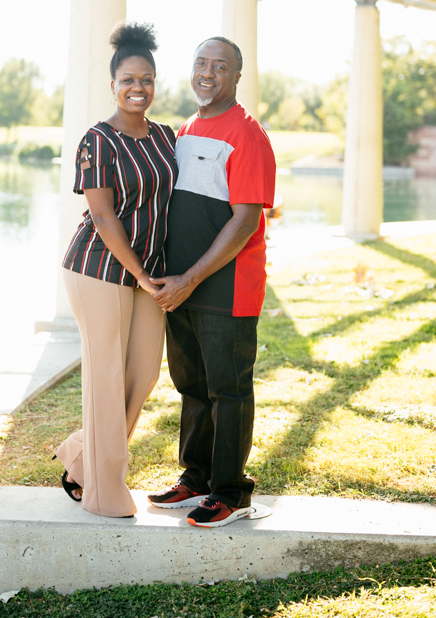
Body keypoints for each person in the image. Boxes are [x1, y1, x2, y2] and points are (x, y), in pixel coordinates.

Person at [148, 36, 276, 528]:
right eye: (201, 63)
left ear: (237, 76)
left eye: (219, 66)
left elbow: (244, 222)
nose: (207, 72)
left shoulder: (248, 135)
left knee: (228, 389)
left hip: (226, 288)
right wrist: (172, 279)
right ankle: (196, 478)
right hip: (180, 286)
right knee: (193, 385)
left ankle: (231, 492)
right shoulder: (188, 128)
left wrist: (191, 278)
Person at [55, 23, 178, 518]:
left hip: (150, 274)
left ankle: (80, 460)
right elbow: (103, 217)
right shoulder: (97, 140)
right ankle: (105, 493)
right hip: (99, 269)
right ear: (113, 85)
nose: (138, 88)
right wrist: (142, 274)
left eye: (146, 79)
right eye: (129, 79)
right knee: (106, 377)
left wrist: (160, 274)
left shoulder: (167, 136)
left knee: (143, 372)